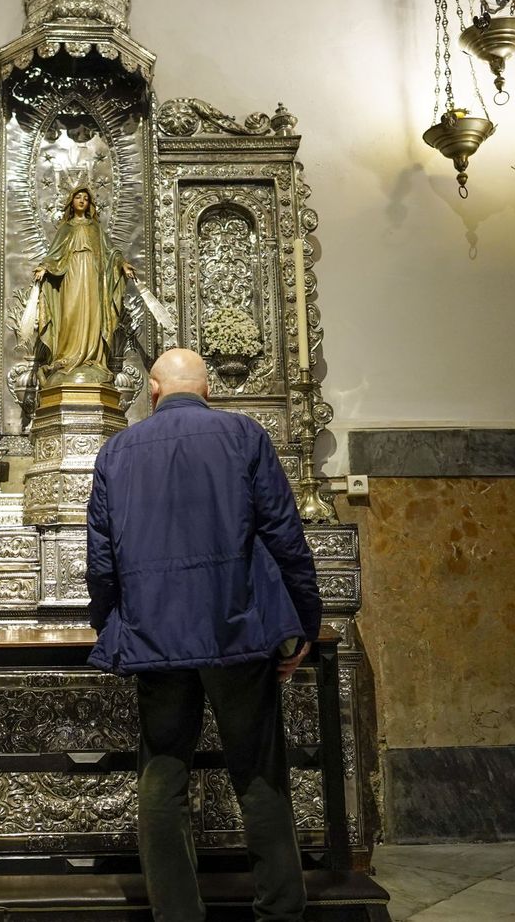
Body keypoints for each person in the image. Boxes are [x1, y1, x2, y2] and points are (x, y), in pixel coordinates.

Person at [86, 348, 322, 922]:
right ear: (209, 389)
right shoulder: (243, 436)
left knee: (162, 775)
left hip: (155, 635)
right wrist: (303, 625)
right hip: (237, 628)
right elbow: (285, 536)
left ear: (153, 390)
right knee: (259, 770)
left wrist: (114, 625)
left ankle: (178, 914)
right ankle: (282, 910)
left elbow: (100, 560)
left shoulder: (116, 451)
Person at [34, 186, 134, 383]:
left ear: (89, 204)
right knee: (70, 313)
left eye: (85, 198)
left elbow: (110, 251)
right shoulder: (66, 227)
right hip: (71, 274)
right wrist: (44, 267)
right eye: (78, 197)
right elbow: (55, 254)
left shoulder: (94, 228)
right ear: (72, 202)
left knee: (92, 313)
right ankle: (65, 356)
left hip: (92, 275)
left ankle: (91, 358)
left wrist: (123, 264)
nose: (81, 201)